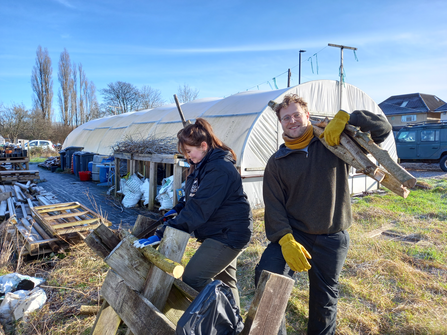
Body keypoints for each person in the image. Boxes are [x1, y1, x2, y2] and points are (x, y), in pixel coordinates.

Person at [255, 94, 391, 334]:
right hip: (295, 235)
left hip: (331, 236)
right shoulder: (277, 162)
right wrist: (285, 239)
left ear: (308, 115)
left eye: (297, 114)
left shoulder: (335, 143)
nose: (292, 121)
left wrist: (349, 119)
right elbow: (274, 206)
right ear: (281, 123)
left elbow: (383, 130)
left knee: (324, 301)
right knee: (268, 280)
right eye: (286, 118)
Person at [136, 118, 253, 308]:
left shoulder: (219, 169)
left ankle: (224, 318)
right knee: (226, 282)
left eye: (189, 152)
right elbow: (194, 197)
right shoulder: (203, 166)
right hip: (220, 230)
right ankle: (233, 325)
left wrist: (162, 232)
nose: (188, 157)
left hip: (229, 233)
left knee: (193, 278)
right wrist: (178, 208)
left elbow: (200, 208)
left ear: (204, 145)